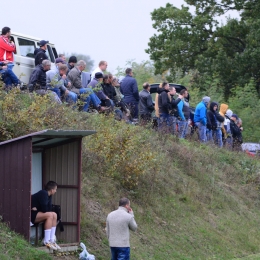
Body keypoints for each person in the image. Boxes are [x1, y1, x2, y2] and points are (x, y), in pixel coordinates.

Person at [31, 181, 61, 250]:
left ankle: (52, 240)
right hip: (31, 214)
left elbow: (49, 208)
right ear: (52, 190)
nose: (56, 191)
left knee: (54, 214)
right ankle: (46, 241)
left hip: (38, 212)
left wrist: (38, 208)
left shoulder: (49, 195)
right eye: (55, 189)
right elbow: (45, 209)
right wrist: (40, 208)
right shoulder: (43, 193)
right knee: (50, 215)